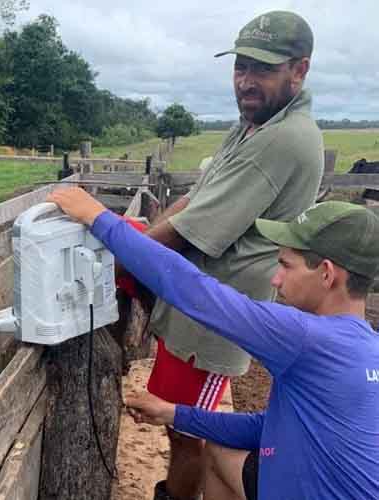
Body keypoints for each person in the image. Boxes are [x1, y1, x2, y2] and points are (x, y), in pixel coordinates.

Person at [49, 187, 379, 500]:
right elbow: (273, 428)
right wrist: (172, 413)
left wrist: (98, 217)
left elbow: (194, 291)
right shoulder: (364, 347)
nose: (275, 279)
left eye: (285, 265)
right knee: (221, 453)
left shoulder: (308, 338)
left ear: (326, 274)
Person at [129, 10, 323, 499]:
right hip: (194, 307)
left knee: (192, 430)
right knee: (182, 424)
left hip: (219, 313)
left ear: (299, 70)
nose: (245, 81)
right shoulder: (252, 124)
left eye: (263, 69)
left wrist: (117, 250)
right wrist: (133, 241)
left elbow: (193, 230)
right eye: (240, 66)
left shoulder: (284, 139)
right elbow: (197, 199)